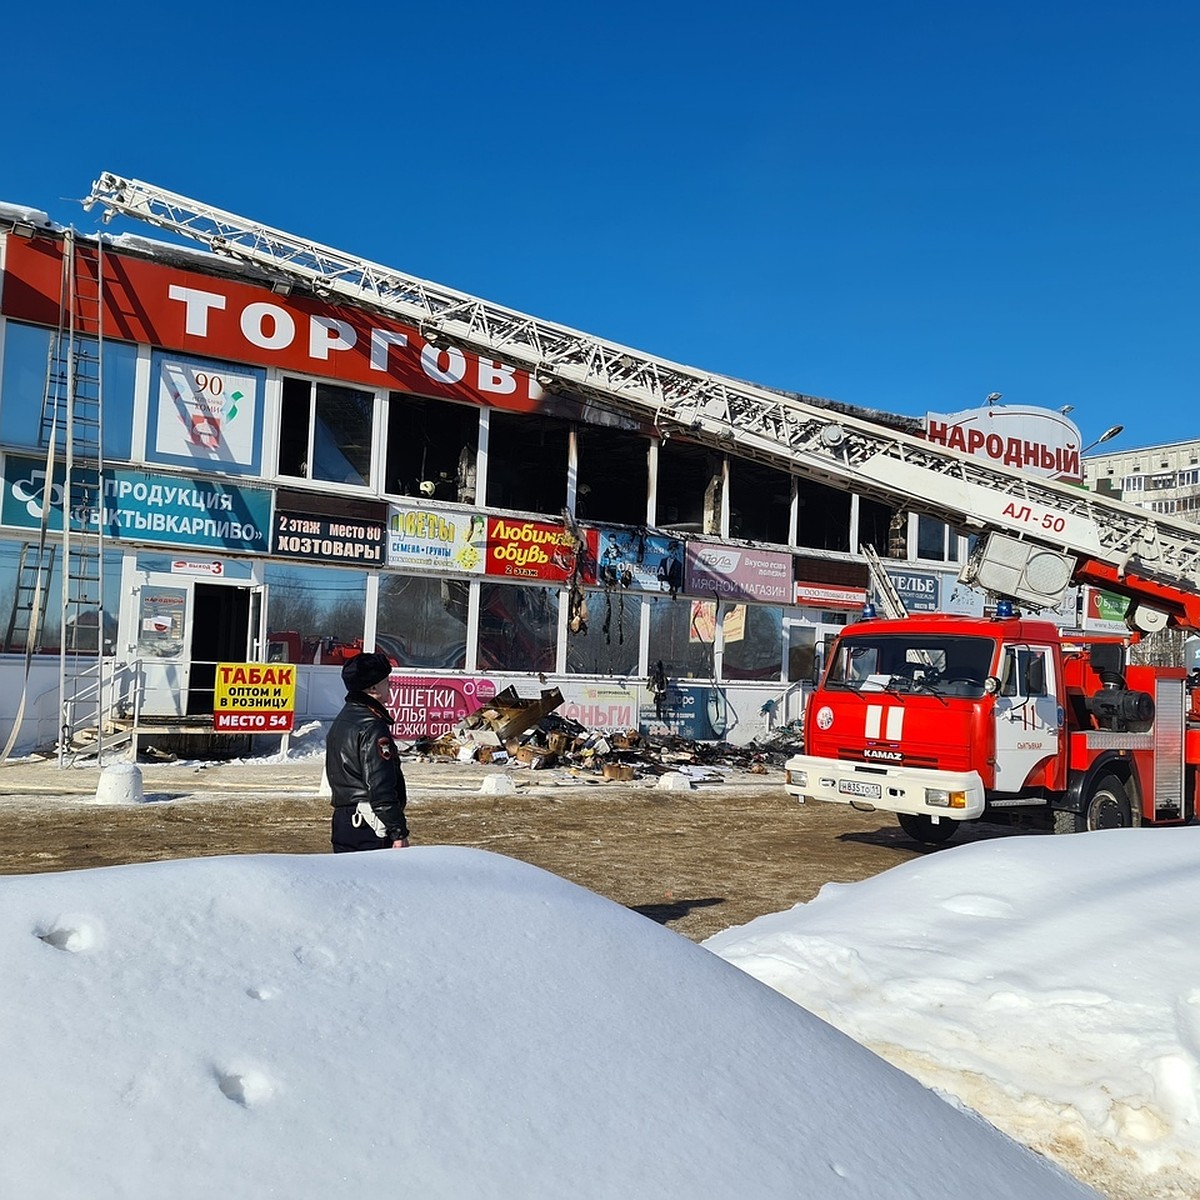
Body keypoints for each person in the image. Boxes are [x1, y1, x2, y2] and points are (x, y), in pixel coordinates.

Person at [326, 652, 410, 852]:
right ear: (373, 688)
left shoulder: (342, 720)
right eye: (386, 681)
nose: (390, 685)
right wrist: (398, 831)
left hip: (344, 820)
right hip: (368, 823)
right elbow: (379, 786)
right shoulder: (372, 726)